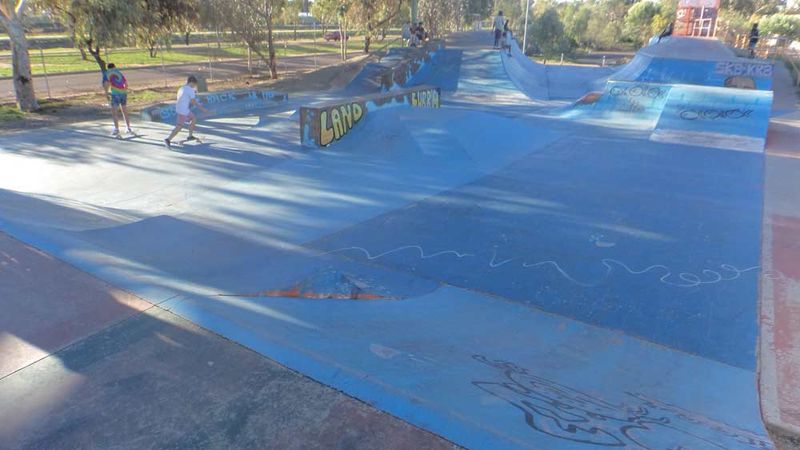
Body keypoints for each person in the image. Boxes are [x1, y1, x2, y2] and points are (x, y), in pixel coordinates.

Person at [164, 75, 208, 149]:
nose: (194, 86)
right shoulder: (190, 90)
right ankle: (168, 139)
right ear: (191, 82)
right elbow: (194, 102)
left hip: (181, 108)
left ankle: (190, 136)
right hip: (183, 111)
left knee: (193, 119)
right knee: (179, 126)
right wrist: (203, 109)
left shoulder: (181, 88)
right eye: (194, 84)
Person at [102, 63, 133, 137]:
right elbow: (126, 84)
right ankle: (128, 127)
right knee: (124, 110)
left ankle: (116, 129)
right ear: (114, 67)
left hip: (115, 94)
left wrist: (106, 93)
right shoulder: (119, 72)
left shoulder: (107, 73)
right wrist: (124, 90)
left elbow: (106, 84)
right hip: (123, 93)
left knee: (114, 112)